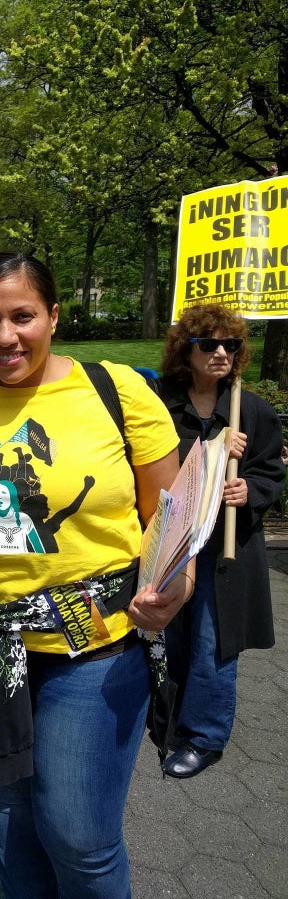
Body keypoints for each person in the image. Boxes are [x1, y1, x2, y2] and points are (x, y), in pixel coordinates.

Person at [0, 252, 192, 899]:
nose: (6, 336)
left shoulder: (118, 390)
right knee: (14, 826)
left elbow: (175, 515)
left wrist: (176, 587)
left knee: (78, 835)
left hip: (95, 650)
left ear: (52, 314)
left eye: (22, 316)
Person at [155, 304, 284, 778]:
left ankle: (204, 736)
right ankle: (166, 716)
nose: (221, 353)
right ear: (184, 351)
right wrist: (209, 451)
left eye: (230, 345)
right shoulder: (161, 404)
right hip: (176, 538)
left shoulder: (252, 411)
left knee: (213, 640)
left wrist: (251, 489)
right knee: (170, 633)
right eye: (208, 344)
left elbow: (271, 471)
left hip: (226, 552)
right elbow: (155, 463)